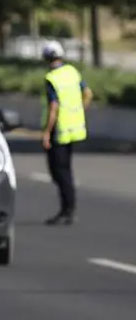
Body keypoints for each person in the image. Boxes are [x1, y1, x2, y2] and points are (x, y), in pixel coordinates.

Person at [41, 40, 93, 225]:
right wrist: (79, 111)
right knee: (65, 170)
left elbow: (53, 107)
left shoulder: (52, 78)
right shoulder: (72, 72)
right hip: (74, 129)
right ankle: (67, 208)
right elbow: (88, 93)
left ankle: (67, 210)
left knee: (59, 172)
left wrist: (47, 132)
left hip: (60, 131)